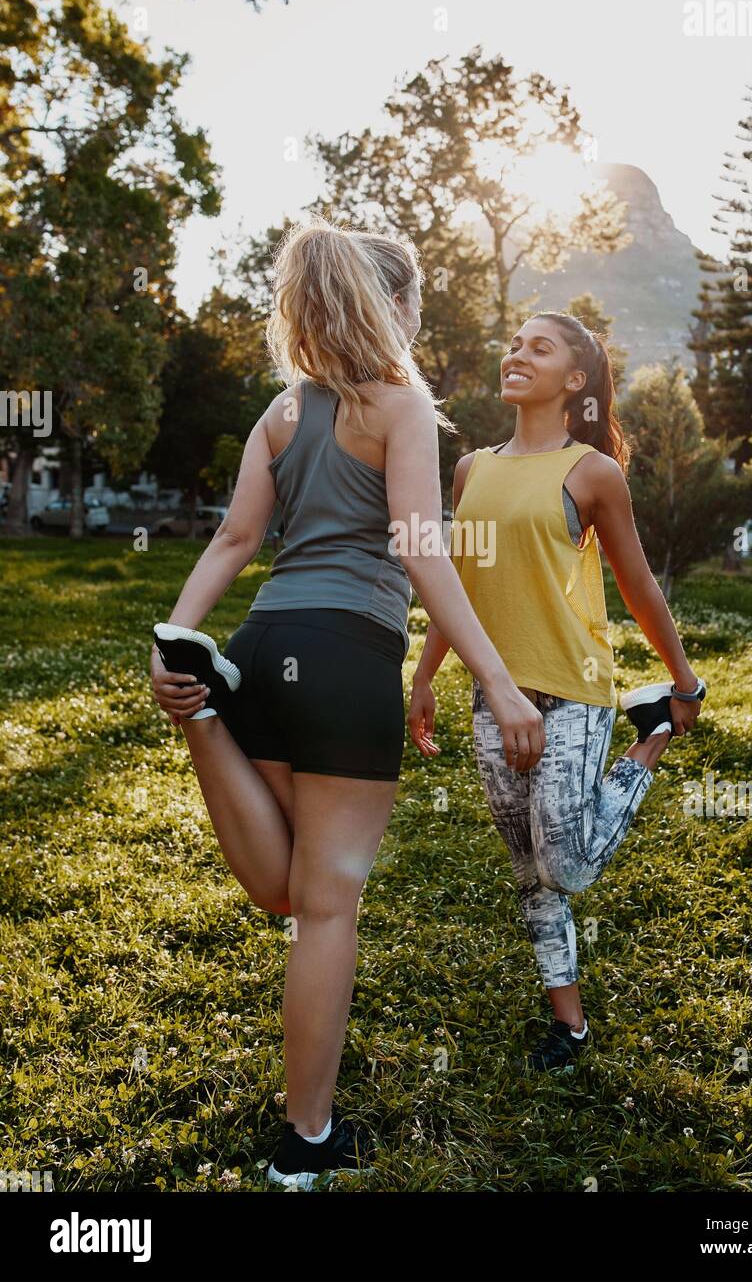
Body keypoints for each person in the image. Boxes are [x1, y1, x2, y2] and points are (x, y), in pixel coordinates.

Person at [149, 217, 545, 1188]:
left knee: (287, 891)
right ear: (397, 305)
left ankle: (204, 707)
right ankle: (306, 1143)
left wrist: (173, 636)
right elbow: (419, 545)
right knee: (326, 912)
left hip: (265, 644)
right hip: (344, 659)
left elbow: (236, 539)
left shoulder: (282, 413)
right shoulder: (399, 404)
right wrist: (495, 678)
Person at [407, 312, 706, 1072]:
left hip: (572, 688)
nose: (516, 354)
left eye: (538, 348)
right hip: (495, 694)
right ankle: (568, 1026)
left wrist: (681, 683)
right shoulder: (471, 468)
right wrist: (425, 674)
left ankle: (651, 735)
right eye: (513, 343)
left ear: (575, 381)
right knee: (528, 872)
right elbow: (458, 582)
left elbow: (635, 582)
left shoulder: (590, 472)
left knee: (567, 865)